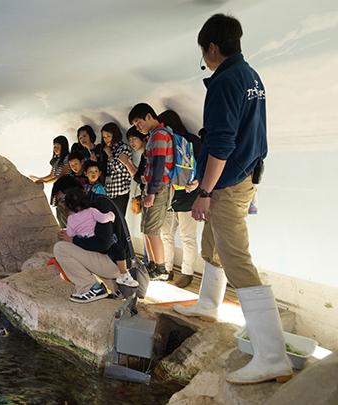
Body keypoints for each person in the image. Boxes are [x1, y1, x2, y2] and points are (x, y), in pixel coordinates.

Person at [173, 14, 292, 385]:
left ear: (211, 46)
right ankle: (208, 305)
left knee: (238, 258)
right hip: (246, 174)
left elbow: (222, 142)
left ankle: (273, 356)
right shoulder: (252, 76)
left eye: (203, 53)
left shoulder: (225, 81)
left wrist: (205, 192)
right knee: (214, 244)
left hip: (227, 181)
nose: (205, 59)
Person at [52, 176, 143, 303]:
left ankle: (90, 287)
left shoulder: (98, 205)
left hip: (117, 263)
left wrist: (73, 240)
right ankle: (114, 289)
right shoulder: (90, 204)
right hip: (112, 260)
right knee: (69, 244)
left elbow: (103, 244)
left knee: (61, 248)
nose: (62, 205)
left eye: (62, 200)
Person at [129, 103, 174, 281]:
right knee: (147, 229)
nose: (137, 127)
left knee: (153, 230)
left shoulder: (160, 135)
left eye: (138, 122)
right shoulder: (153, 135)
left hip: (158, 188)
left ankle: (161, 269)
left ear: (148, 116)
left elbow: (159, 166)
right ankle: (152, 264)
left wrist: (152, 192)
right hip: (151, 187)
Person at [157, 110, 202, 288]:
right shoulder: (170, 141)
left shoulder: (190, 140)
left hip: (187, 194)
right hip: (170, 195)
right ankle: (167, 270)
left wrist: (198, 182)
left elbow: (202, 163)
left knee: (185, 236)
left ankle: (187, 272)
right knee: (167, 235)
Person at [29, 135, 71, 227]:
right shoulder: (56, 160)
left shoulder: (67, 158)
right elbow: (52, 175)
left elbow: (61, 175)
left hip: (65, 189)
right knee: (59, 212)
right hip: (57, 189)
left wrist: (45, 182)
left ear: (63, 147)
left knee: (66, 213)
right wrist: (39, 179)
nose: (55, 149)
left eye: (57, 147)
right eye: (54, 147)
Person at [101, 122, 137, 216]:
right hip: (110, 192)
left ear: (115, 135)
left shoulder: (123, 148)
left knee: (119, 222)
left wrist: (109, 155)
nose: (106, 139)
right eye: (104, 137)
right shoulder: (110, 148)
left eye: (108, 136)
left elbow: (118, 168)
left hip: (120, 192)